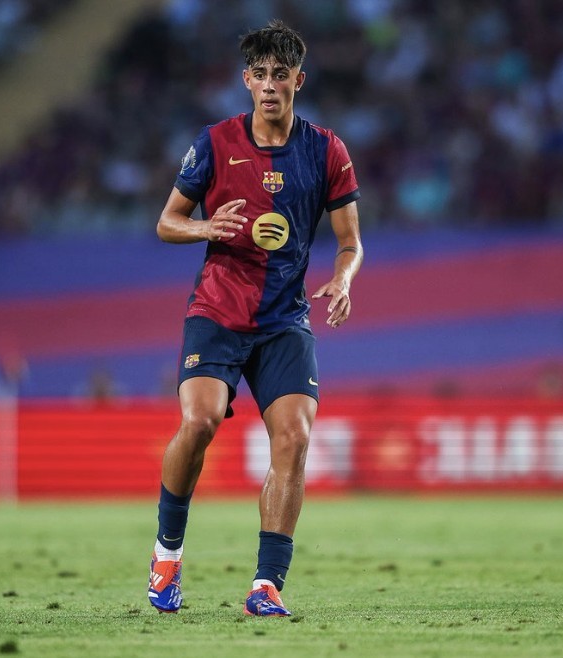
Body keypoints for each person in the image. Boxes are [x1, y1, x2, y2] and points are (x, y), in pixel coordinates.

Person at [147, 20, 363, 617]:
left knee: (294, 437)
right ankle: (166, 555)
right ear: (247, 80)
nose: (270, 85)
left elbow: (350, 241)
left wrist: (344, 278)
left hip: (284, 321)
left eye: (280, 75)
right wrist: (205, 227)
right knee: (200, 422)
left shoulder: (327, 150)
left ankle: (267, 585)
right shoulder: (215, 142)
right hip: (218, 310)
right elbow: (166, 221)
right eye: (260, 75)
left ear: (298, 80)